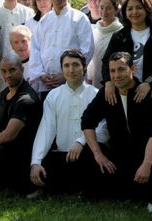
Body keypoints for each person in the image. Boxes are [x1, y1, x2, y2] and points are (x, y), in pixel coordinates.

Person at [81, 52, 152, 214]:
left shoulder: (149, 96)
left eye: (121, 69)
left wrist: (146, 165)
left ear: (132, 69)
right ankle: (99, 194)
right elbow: (87, 121)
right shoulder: (106, 94)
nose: (116, 75)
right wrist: (98, 154)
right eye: (112, 71)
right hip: (119, 154)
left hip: (143, 154)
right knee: (90, 150)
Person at [30, 49, 105, 196]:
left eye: (76, 65)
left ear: (84, 67)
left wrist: (81, 141)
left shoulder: (95, 94)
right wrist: (36, 161)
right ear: (62, 68)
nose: (71, 70)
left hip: (88, 155)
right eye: (66, 65)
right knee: (47, 167)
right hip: (62, 156)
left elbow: (103, 128)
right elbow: (46, 130)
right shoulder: (53, 96)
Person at [100, 0, 152, 139]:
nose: (134, 12)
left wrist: (148, 83)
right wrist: (108, 81)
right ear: (125, 12)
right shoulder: (119, 37)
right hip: (126, 92)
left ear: (146, 10)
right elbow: (106, 62)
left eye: (138, 8)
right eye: (130, 8)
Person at [0, 54, 41, 192]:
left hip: (23, 153)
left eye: (12, 70)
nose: (8, 75)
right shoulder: (1, 96)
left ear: (22, 69)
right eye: (3, 71)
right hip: (2, 146)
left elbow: (10, 134)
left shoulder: (26, 99)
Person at [31, 0, 94, 95]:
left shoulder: (79, 18)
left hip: (73, 83)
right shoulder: (44, 21)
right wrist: (41, 75)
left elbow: (87, 51)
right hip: (47, 84)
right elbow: (35, 50)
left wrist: (66, 75)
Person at [88, 0, 122, 86]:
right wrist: (90, 77)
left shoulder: (120, 32)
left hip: (113, 82)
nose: (104, 11)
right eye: (101, 7)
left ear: (115, 9)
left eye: (108, 8)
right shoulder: (95, 31)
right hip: (94, 81)